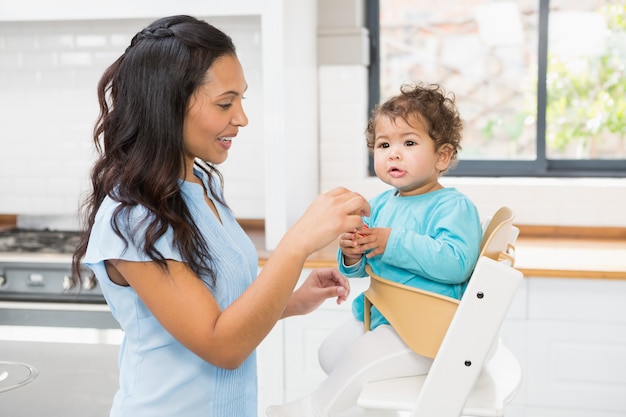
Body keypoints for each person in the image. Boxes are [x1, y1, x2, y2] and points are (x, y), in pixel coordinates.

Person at [71, 15, 370, 417]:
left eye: (241, 100)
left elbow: (220, 309)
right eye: (225, 103)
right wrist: (298, 243)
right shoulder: (132, 217)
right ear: (168, 104)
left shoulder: (202, 187)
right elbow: (221, 345)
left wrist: (293, 300)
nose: (242, 117)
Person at [266, 83, 483, 417]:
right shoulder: (380, 204)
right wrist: (353, 254)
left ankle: (313, 409)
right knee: (329, 354)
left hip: (425, 330)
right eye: (384, 145)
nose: (393, 153)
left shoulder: (452, 206)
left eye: (409, 143)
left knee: (360, 358)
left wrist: (390, 242)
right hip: (384, 317)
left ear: (442, 155)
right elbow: (361, 268)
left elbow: (456, 263)